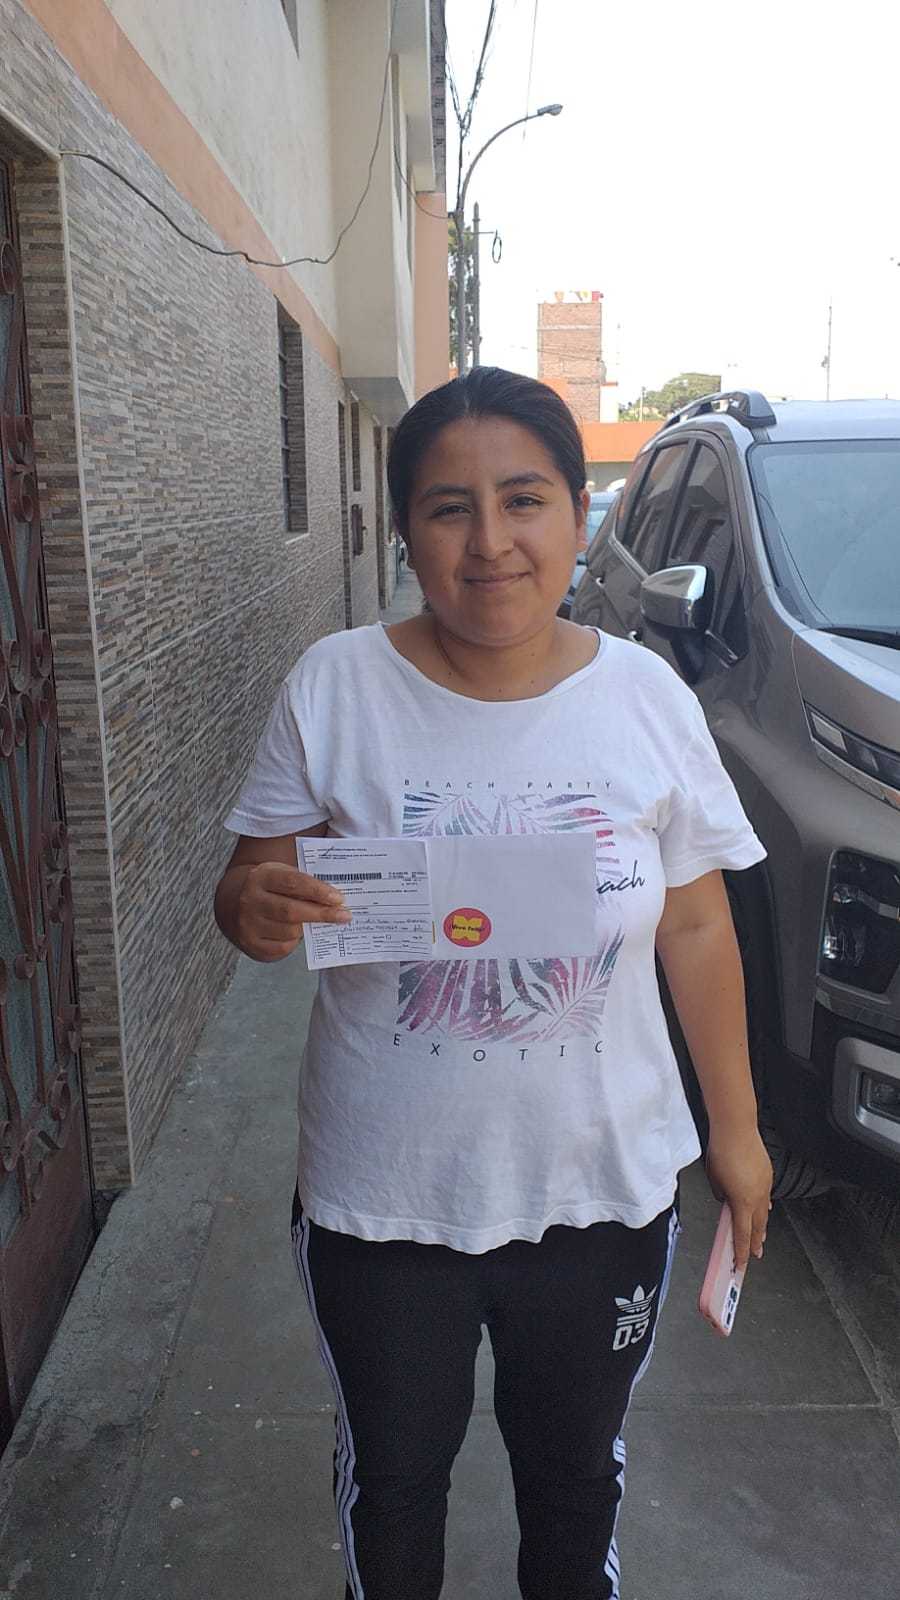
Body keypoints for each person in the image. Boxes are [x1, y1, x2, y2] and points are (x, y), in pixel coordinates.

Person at [214, 367, 773, 1600]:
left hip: (603, 1190)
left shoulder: (646, 698)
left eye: (524, 499)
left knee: (574, 1490)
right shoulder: (336, 687)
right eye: (448, 507)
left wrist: (736, 1135)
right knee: (392, 1490)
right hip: (383, 1200)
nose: (491, 542)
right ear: (404, 529)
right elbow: (251, 884)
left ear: (579, 513)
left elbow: (694, 923)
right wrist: (250, 906)